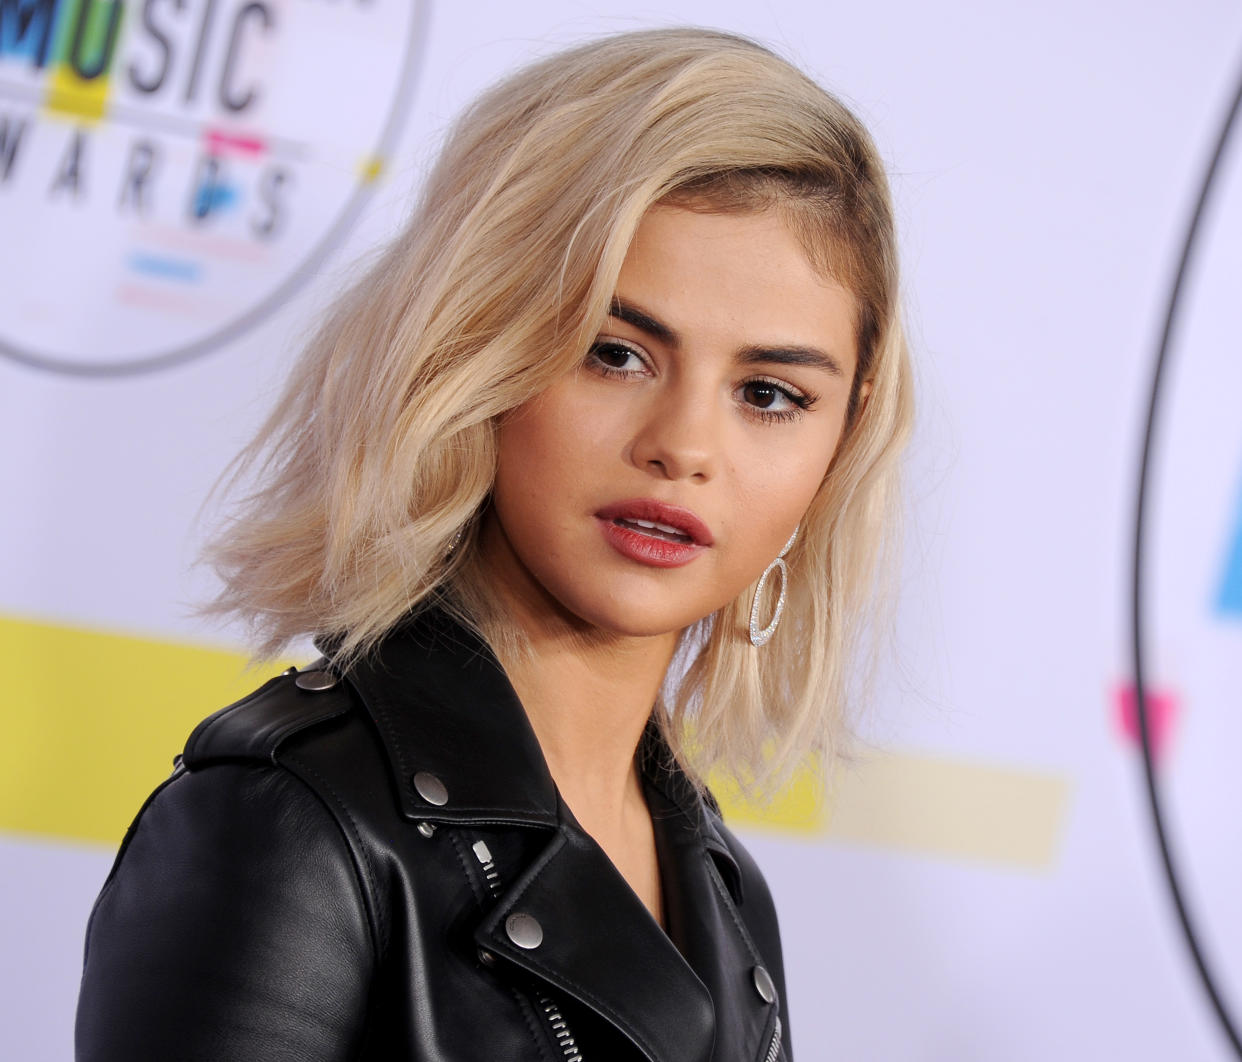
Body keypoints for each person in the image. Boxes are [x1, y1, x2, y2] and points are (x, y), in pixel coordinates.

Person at [75, 26, 911, 1062]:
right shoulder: (289, 829)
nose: (684, 447)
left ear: (846, 431)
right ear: (475, 344)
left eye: (769, 394)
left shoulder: (732, 903)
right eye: (614, 353)